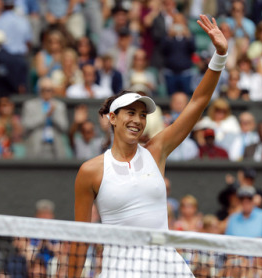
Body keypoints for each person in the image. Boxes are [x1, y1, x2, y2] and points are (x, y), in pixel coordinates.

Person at [69, 14, 229, 277]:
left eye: (142, 114)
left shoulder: (157, 151)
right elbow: (79, 240)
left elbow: (197, 102)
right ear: (112, 117)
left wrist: (219, 56)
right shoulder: (90, 171)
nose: (137, 120)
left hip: (167, 270)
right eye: (130, 113)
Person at [21, 77, 69, 159]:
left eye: (50, 90)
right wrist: (45, 116)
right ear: (39, 90)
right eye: (44, 89)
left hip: (55, 147)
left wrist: (53, 116)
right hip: (36, 147)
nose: (47, 92)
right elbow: (26, 125)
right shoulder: (30, 105)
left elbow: (64, 127)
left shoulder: (59, 105)